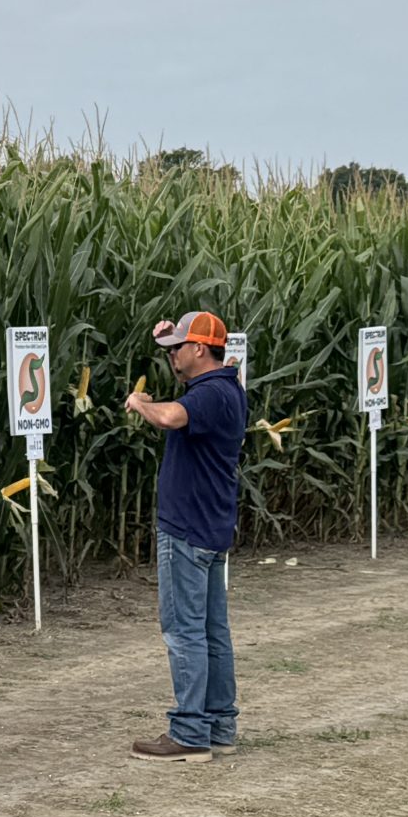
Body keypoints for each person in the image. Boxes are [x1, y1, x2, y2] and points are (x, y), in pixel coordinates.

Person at [124, 310, 246, 763]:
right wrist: (164, 342)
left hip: (187, 528)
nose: (172, 355)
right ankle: (218, 724)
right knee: (213, 631)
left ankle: (190, 732)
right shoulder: (225, 388)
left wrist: (139, 403)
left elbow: (173, 416)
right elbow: (184, 402)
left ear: (200, 348)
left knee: (184, 631)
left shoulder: (210, 393)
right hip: (211, 526)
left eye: (178, 347)